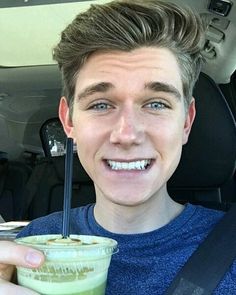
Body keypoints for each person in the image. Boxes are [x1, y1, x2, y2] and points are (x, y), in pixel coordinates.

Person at [0, 0, 235, 294]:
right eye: (100, 104)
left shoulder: (231, 247)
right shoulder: (33, 243)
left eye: (156, 103)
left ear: (186, 122)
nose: (126, 134)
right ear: (69, 121)